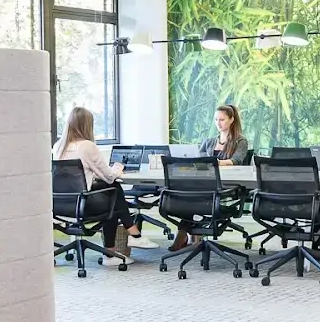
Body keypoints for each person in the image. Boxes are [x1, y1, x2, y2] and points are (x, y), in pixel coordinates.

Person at [54, 105, 153, 254]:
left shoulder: (58, 146)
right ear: (87, 125)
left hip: (60, 204)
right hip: (82, 205)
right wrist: (118, 168)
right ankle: (131, 237)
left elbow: (73, 177)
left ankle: (117, 249)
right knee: (113, 193)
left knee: (112, 196)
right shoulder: (87, 146)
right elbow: (109, 177)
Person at [172, 104, 250, 252]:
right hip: (204, 182)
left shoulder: (240, 141)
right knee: (185, 193)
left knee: (192, 196)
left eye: (222, 119)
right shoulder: (209, 142)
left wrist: (216, 163)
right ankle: (189, 231)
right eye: (216, 120)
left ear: (231, 120)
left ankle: (184, 232)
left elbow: (236, 160)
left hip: (226, 187)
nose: (218, 123)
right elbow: (198, 160)